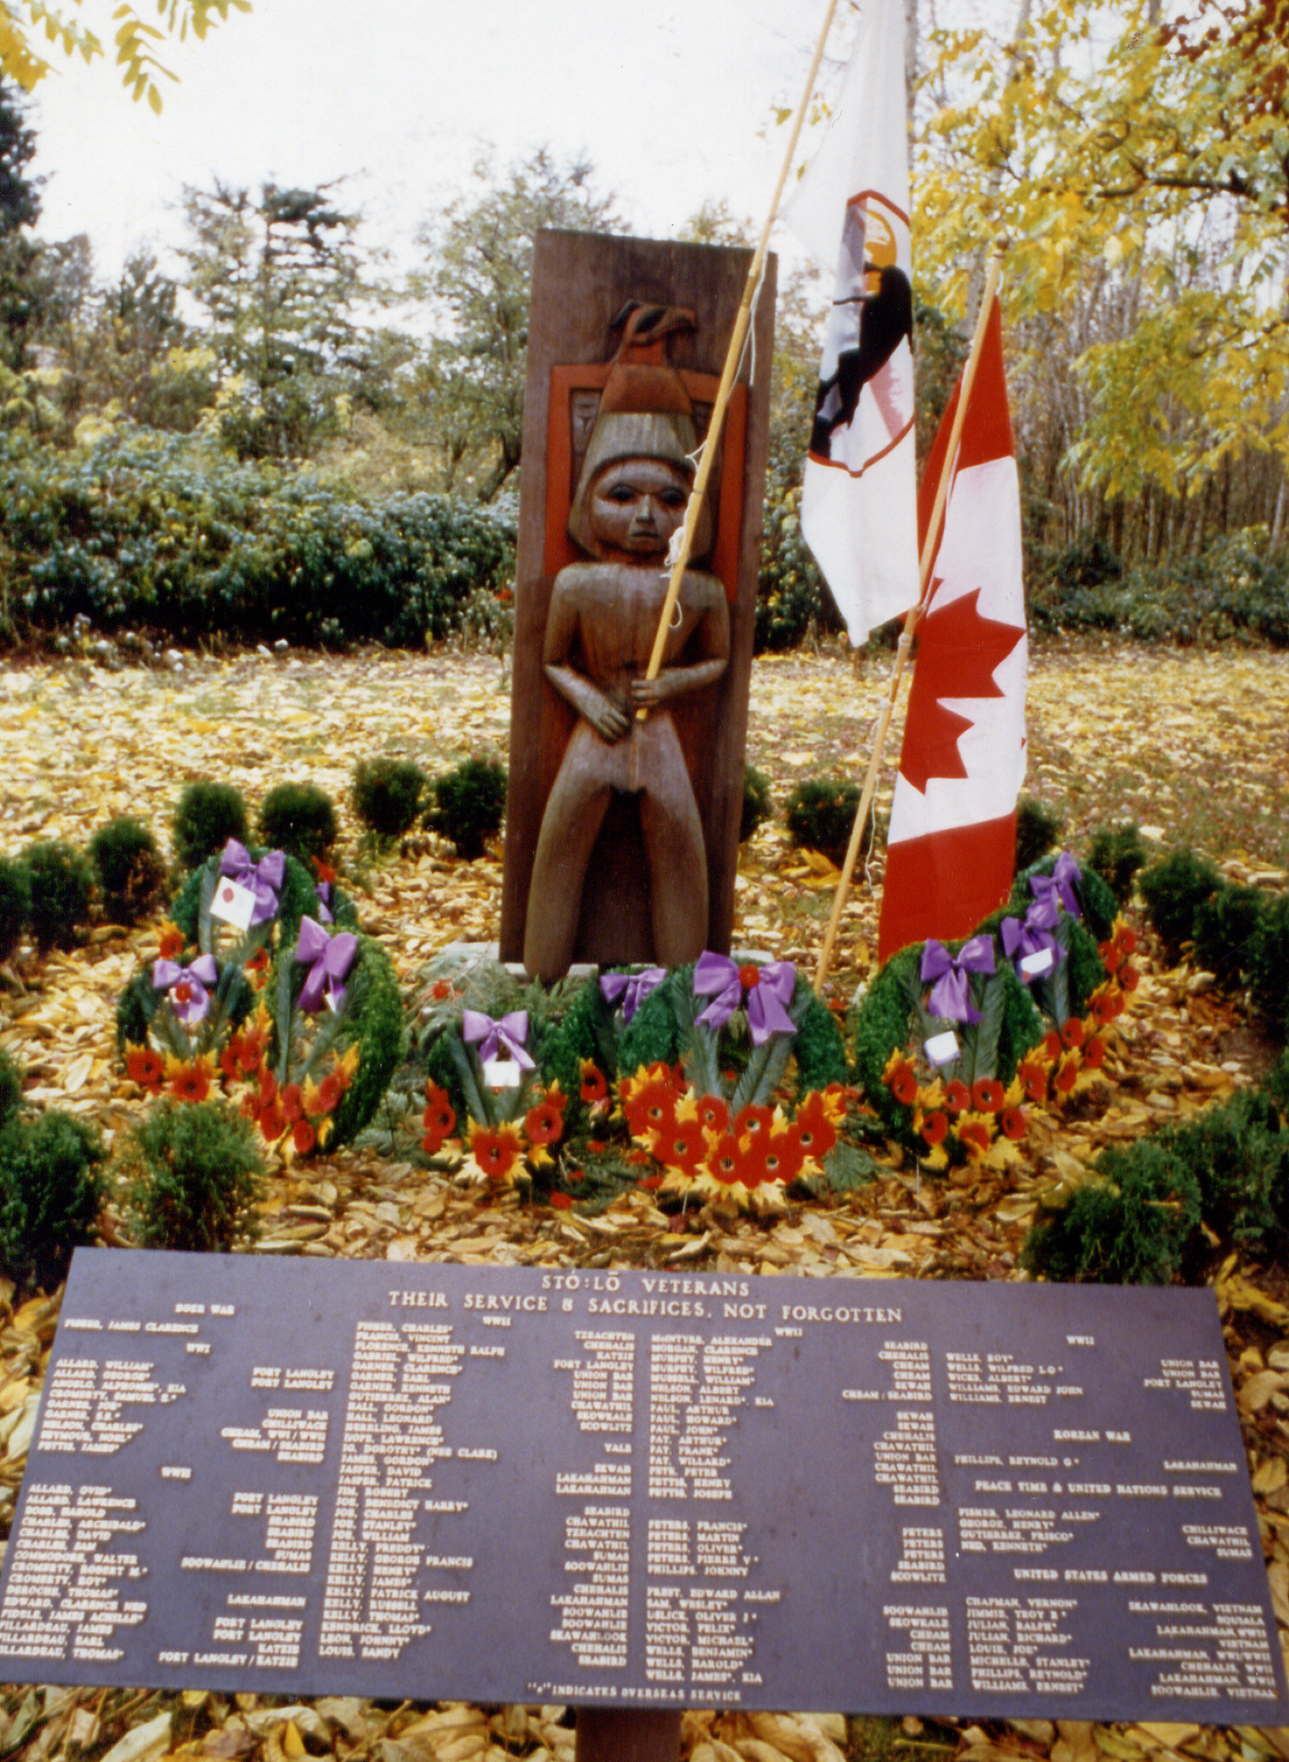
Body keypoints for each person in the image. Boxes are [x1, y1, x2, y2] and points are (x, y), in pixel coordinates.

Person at [522, 399, 729, 982]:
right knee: (557, 853)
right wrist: (588, 699)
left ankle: (686, 993)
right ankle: (542, 990)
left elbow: (718, 660)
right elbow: (553, 660)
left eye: (669, 500)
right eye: (621, 496)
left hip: (657, 735)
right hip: (596, 732)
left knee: (682, 856)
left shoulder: (701, 589)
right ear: (587, 504)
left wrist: (670, 683)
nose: (646, 516)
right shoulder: (577, 583)